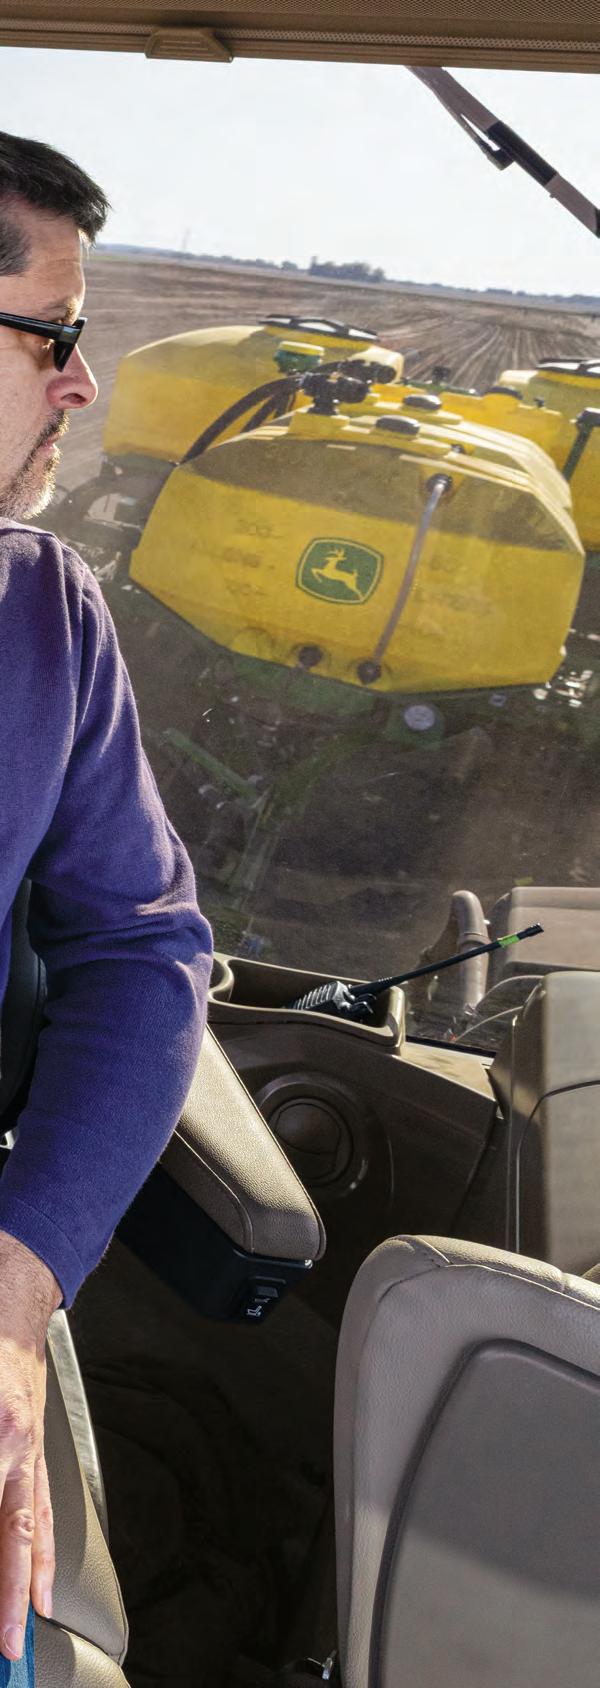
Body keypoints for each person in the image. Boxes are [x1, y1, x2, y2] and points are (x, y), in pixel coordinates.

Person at [0, 130, 213, 1674]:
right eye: (53, 338)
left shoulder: (41, 613)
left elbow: (144, 953)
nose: (83, 385)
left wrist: (19, 1285)